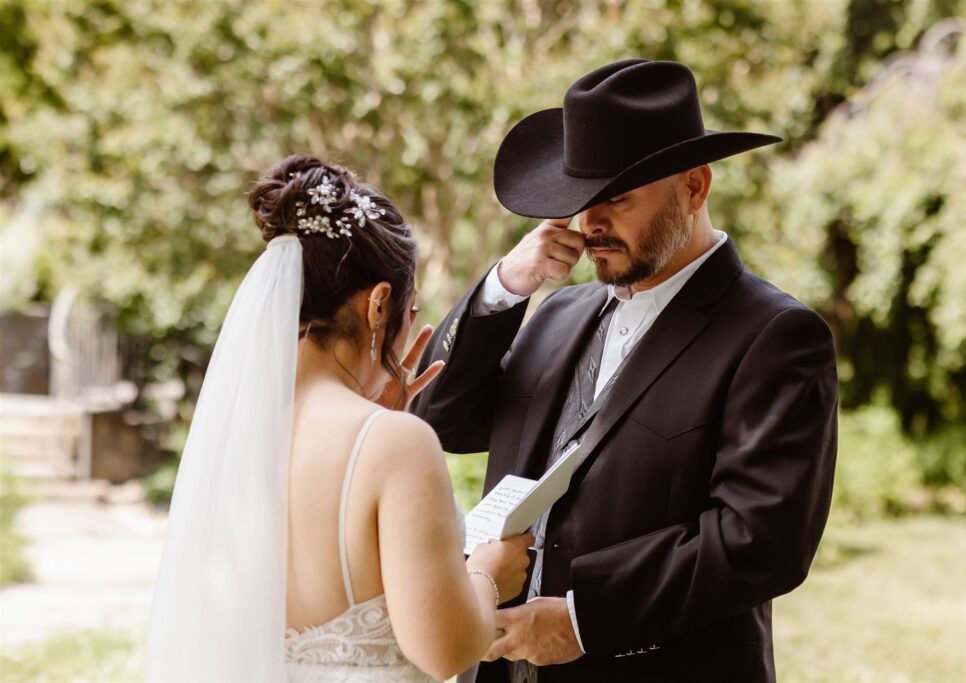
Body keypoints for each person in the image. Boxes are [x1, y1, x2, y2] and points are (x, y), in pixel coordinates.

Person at [412, 59, 839, 683]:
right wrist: (504, 289)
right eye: (582, 200)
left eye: (616, 197)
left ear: (694, 187)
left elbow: (761, 541)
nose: (590, 224)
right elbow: (442, 419)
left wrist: (583, 620)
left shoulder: (775, 335)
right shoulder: (556, 310)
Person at [145, 155, 532, 682]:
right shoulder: (397, 445)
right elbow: (446, 652)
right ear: (379, 305)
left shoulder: (237, 433)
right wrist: (487, 574)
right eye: (409, 314)